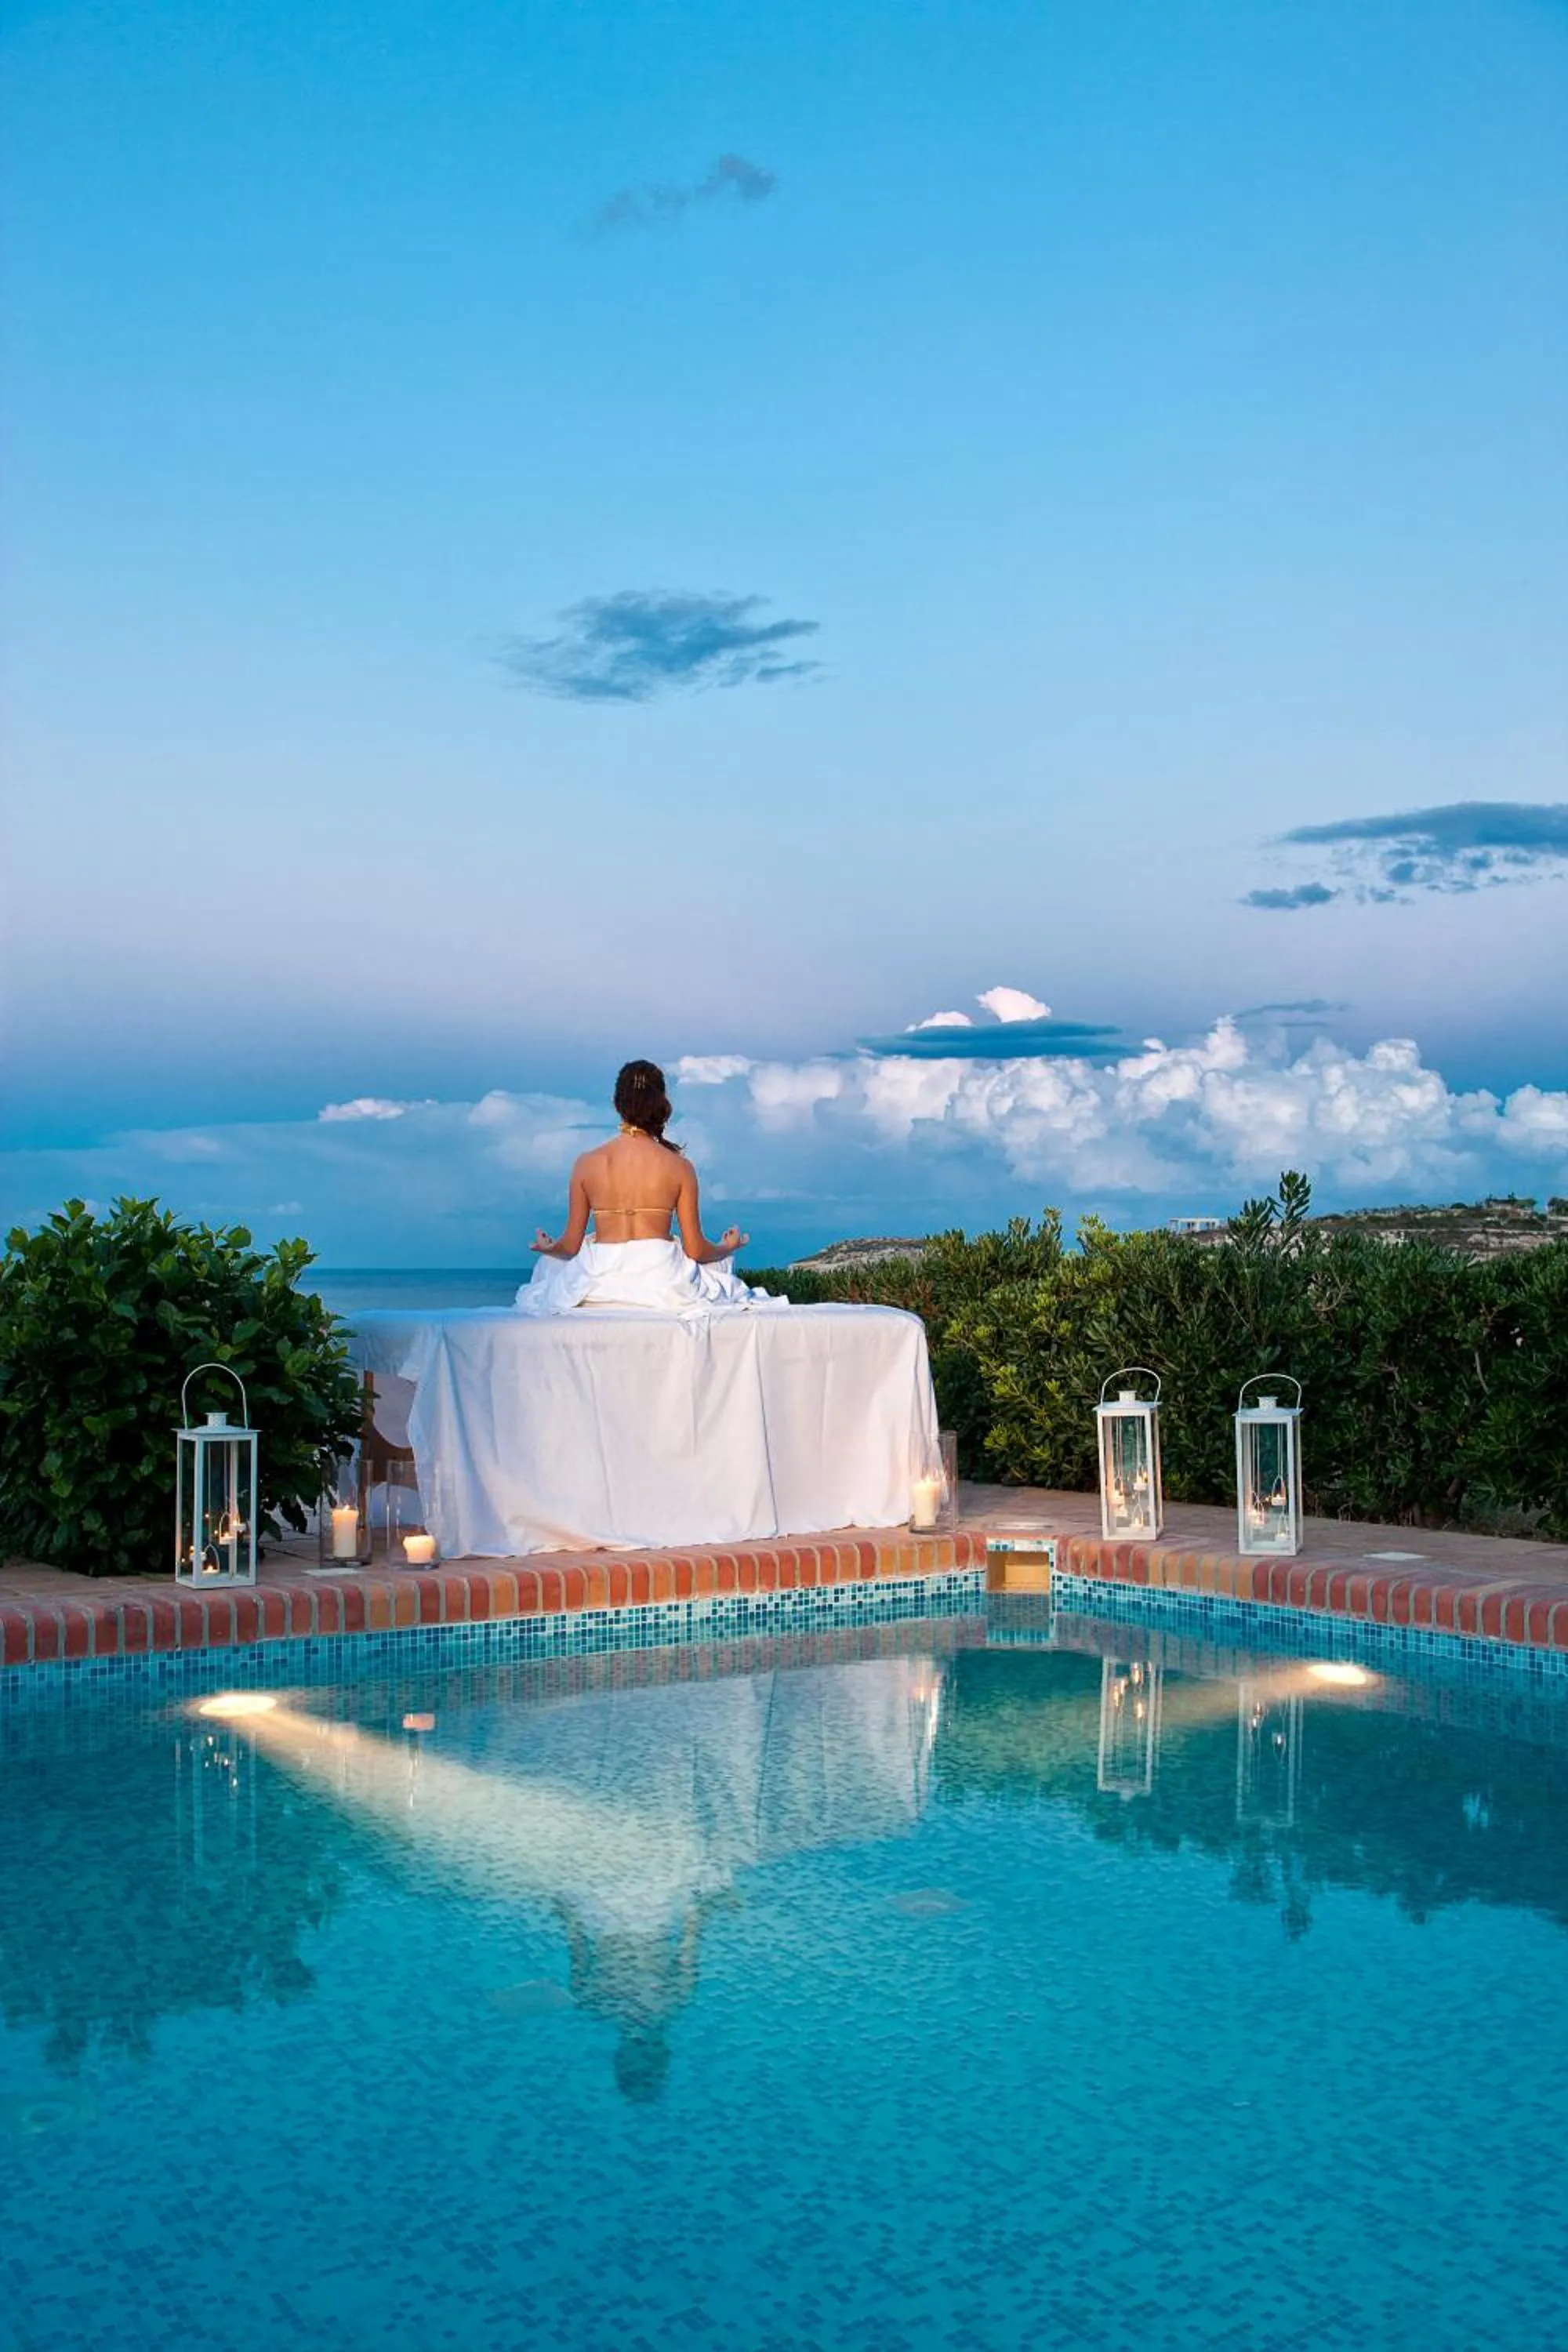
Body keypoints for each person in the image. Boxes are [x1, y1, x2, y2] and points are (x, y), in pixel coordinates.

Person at [516, 1058, 780, 1316]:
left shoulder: (587, 1164)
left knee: (550, 1266)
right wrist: (727, 1248)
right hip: (662, 1276)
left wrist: (549, 1249)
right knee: (719, 1267)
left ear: (616, 1103)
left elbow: (570, 1246)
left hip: (599, 1277)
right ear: (661, 1104)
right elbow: (697, 1250)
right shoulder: (679, 1167)